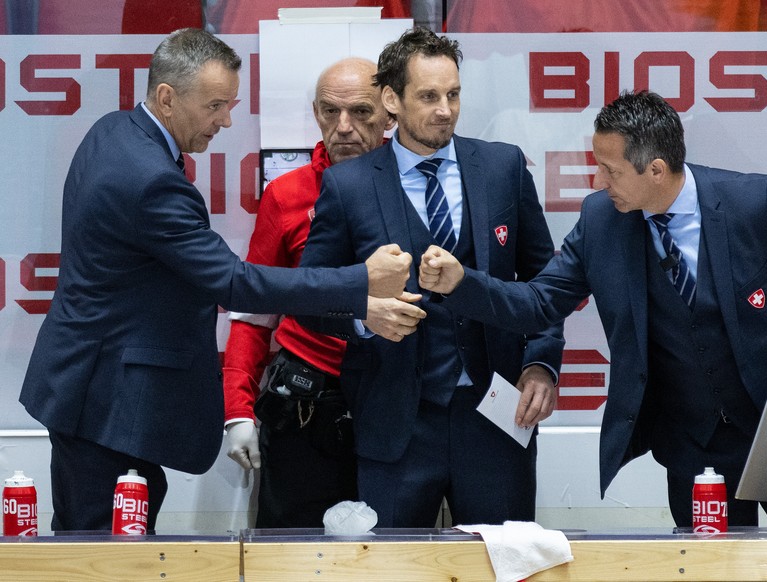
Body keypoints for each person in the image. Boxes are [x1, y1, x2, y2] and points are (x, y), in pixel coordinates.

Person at [18, 29, 411, 533]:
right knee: (100, 551)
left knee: (106, 535)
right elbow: (234, 283)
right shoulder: (149, 179)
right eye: (216, 106)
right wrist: (361, 283)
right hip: (105, 403)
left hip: (90, 386)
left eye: (232, 104)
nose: (226, 120)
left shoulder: (114, 129)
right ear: (166, 98)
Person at [420, 90, 767, 528]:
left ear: (656, 170)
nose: (598, 182)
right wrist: (463, 282)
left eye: (611, 171)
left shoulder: (754, 202)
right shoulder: (601, 222)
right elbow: (539, 302)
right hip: (696, 450)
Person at [298, 27, 565, 528]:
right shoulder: (348, 185)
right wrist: (365, 319)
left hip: (497, 415)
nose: (445, 109)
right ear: (391, 99)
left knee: (504, 561)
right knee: (392, 568)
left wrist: (542, 364)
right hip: (395, 422)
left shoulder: (502, 167)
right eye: (428, 96)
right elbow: (311, 298)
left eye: (453, 94)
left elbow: (546, 284)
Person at [223, 57, 401, 527]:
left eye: (361, 112)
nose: (343, 127)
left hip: (397, 398)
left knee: (394, 553)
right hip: (307, 405)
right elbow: (252, 313)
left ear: (389, 113)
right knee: (292, 555)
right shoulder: (286, 194)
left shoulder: (417, 186)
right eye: (329, 112)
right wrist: (238, 409)